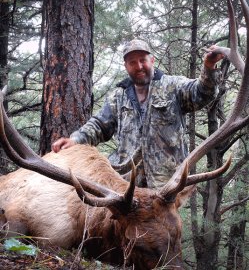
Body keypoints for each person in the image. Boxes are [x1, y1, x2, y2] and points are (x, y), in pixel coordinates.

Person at [52, 39, 224, 188]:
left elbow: (202, 93)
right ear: (126, 66)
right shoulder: (118, 96)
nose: (139, 66)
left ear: (152, 60)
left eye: (143, 60)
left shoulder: (173, 86)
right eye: (132, 62)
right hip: (126, 185)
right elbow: (98, 125)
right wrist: (75, 139)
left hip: (166, 185)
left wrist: (208, 67)